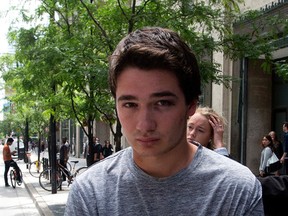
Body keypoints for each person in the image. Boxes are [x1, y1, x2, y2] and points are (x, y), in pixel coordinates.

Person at [65, 27, 263, 215]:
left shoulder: (236, 189)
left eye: (162, 103)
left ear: (191, 105)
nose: (144, 125)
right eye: (130, 104)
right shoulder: (90, 192)